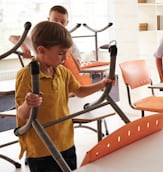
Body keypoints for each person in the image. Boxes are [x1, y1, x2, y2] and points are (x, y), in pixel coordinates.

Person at [15, 21, 113, 172]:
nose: (65, 58)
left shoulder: (62, 72)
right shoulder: (26, 75)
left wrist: (101, 84)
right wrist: (28, 104)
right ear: (41, 50)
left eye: (66, 53)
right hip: (41, 148)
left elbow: (79, 91)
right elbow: (21, 114)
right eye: (61, 53)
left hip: (66, 142)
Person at [9, 5, 82, 70]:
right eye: (55, 21)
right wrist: (24, 48)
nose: (59, 24)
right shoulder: (40, 38)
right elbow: (12, 37)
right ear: (49, 19)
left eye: (62, 22)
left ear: (67, 23)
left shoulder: (69, 42)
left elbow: (78, 66)